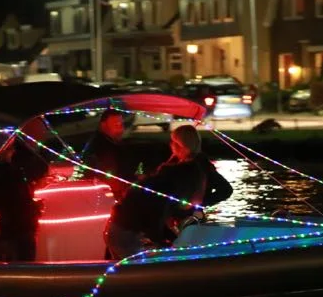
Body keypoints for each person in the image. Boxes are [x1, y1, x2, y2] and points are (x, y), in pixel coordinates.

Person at [104, 124, 232, 259]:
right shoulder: (174, 168)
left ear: (180, 145)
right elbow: (158, 206)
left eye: (173, 142)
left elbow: (225, 190)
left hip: (182, 219)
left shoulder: (192, 168)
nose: (170, 146)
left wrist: (197, 205)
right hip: (149, 223)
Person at [0, 132, 49, 262]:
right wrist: (34, 207)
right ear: (0, 150)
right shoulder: (7, 173)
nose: (14, 151)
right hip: (18, 228)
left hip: (10, 228)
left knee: (18, 263)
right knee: (24, 264)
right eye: (10, 148)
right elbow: (16, 201)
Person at [79, 108, 132, 200]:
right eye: (116, 124)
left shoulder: (112, 143)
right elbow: (108, 175)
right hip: (107, 196)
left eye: (121, 124)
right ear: (103, 125)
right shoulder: (101, 146)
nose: (120, 128)